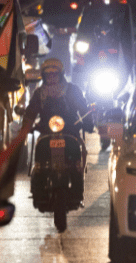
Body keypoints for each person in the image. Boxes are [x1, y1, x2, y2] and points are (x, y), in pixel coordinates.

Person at [22, 57, 94, 205]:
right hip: (46, 131)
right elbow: (30, 112)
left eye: (55, 74)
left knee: (75, 161)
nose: (52, 77)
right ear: (44, 76)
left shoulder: (73, 90)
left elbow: (83, 108)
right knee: (40, 160)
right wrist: (26, 127)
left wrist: (88, 122)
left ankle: (77, 193)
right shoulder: (39, 93)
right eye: (48, 74)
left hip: (70, 130)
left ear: (60, 74)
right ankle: (38, 192)